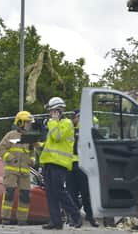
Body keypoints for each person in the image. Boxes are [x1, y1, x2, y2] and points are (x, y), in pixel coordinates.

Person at [39, 97, 82, 230]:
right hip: (49, 162)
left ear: (58, 111)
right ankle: (55, 221)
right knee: (51, 193)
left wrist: (53, 122)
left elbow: (57, 137)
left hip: (59, 163)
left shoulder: (67, 123)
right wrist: (38, 145)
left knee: (59, 191)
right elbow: (51, 143)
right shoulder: (55, 124)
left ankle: (76, 216)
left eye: (52, 111)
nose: (50, 114)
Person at [0, 111, 36, 225]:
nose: (29, 125)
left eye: (29, 123)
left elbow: (32, 153)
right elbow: (0, 149)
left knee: (25, 196)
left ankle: (22, 220)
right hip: (11, 171)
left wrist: (32, 160)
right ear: (20, 122)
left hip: (25, 172)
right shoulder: (11, 135)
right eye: (27, 122)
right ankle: (5, 218)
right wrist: (10, 157)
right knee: (9, 194)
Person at [66, 110, 98, 227]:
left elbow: (95, 121)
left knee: (86, 193)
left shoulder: (86, 126)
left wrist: (84, 117)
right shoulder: (68, 127)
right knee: (71, 193)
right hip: (70, 165)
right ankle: (74, 218)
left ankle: (90, 217)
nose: (72, 119)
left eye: (74, 117)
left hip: (83, 164)